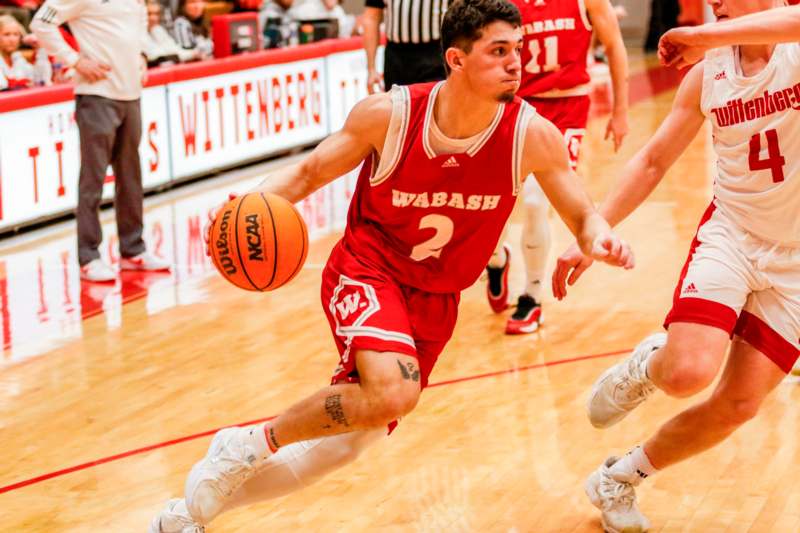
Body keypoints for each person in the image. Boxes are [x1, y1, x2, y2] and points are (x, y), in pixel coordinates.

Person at [149, 1, 635, 531]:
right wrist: (242, 209)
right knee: (393, 393)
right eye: (499, 51)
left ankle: (188, 515)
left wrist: (600, 238)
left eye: (517, 49)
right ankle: (250, 441)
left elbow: (582, 212)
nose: (517, 62)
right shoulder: (390, 115)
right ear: (456, 58)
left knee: (343, 447)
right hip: (369, 265)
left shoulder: (530, 134)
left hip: (436, 298)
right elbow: (309, 173)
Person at [552, 2, 800, 531]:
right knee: (687, 373)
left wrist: (705, 33)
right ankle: (647, 366)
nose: (716, 2)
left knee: (737, 406)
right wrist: (590, 232)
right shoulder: (709, 72)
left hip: (796, 264)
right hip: (732, 233)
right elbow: (652, 159)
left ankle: (619, 478)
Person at [485, 0, 629, 334]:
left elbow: (614, 44)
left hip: (567, 108)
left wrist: (620, 110)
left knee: (536, 203)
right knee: (490, 207)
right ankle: (497, 261)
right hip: (516, 107)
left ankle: (531, 297)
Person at [31, 0, 171, 282]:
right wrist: (75, 60)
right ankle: (89, 256)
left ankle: (133, 250)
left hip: (131, 94)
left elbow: (138, 25)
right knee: (93, 180)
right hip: (97, 96)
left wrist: (141, 55)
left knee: (131, 177)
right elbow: (40, 23)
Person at [362, 0, 448, 93]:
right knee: (396, 105)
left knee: (433, 104)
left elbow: (459, 15)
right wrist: (371, 69)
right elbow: (371, 17)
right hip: (396, 58)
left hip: (436, 56)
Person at [0, 14, 50, 90]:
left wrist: (40, 49)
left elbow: (41, 80)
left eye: (16, 34)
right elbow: (3, 87)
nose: (12, 39)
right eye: (7, 34)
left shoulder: (18, 59)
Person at [144, 0, 199, 66]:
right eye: (149, 14)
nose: (153, 18)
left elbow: (174, 49)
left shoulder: (158, 29)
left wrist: (194, 53)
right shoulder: (138, 34)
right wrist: (189, 55)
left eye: (157, 14)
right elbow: (157, 56)